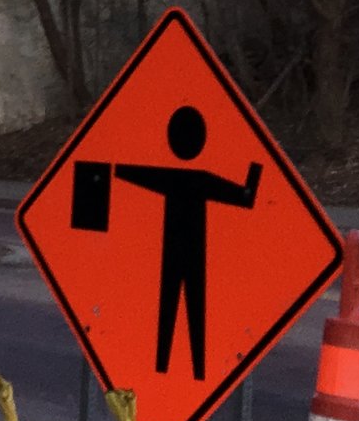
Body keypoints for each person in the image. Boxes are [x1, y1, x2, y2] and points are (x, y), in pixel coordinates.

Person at [112, 105, 261, 380]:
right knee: (190, 308)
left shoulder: (176, 177)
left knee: (175, 307)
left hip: (178, 251)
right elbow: (245, 196)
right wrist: (256, 168)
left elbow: (132, 172)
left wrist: (256, 165)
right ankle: (190, 367)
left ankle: (176, 366)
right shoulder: (199, 179)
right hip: (190, 252)